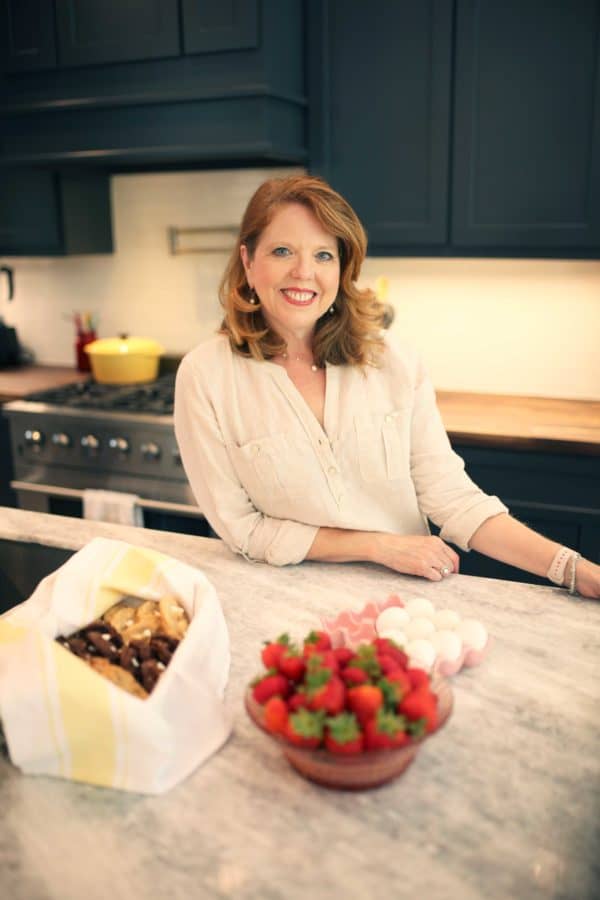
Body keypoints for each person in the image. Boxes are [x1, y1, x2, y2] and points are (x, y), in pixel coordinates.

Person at [174, 174, 600, 599]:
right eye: (282, 251)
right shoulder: (206, 375)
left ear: (342, 269)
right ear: (248, 262)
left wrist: (574, 570)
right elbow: (242, 529)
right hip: (279, 606)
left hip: (405, 610)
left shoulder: (392, 361)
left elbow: (453, 498)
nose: (304, 272)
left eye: (323, 255)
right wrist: (378, 546)